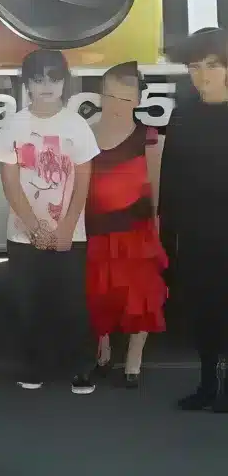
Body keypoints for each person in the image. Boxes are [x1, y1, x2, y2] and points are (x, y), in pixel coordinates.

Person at [0, 48, 99, 394]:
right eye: (38, 79)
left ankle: (80, 367)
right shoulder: (14, 125)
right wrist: (33, 226)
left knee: (71, 304)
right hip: (23, 235)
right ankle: (33, 365)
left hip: (71, 233)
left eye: (54, 78)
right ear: (26, 84)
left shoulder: (76, 124)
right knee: (28, 303)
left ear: (64, 83)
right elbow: (10, 180)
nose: (46, 86)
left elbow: (84, 177)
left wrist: (68, 225)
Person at [85, 62, 167, 388]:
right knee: (98, 293)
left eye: (126, 98)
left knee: (140, 294)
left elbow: (157, 191)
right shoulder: (86, 134)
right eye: (111, 96)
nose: (117, 105)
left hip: (137, 232)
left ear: (137, 100)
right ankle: (102, 352)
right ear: (101, 96)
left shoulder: (149, 138)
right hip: (96, 231)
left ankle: (134, 359)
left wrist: (157, 228)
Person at [159, 27, 228, 413]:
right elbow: (170, 181)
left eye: (213, 66)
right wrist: (168, 239)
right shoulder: (184, 116)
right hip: (198, 234)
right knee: (205, 313)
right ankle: (206, 385)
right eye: (195, 67)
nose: (203, 75)